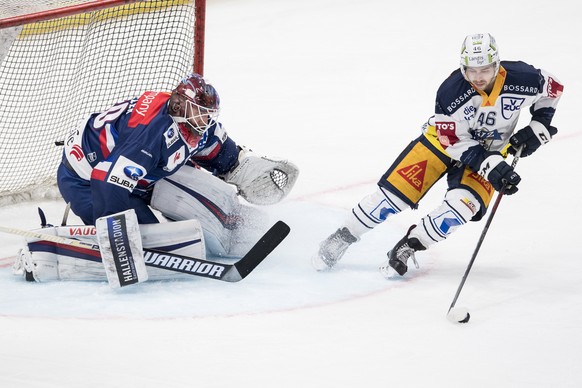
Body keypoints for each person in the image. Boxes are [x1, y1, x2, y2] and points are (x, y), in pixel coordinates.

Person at [312, 33, 563, 277]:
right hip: (442, 144)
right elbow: (452, 141)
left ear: (497, 65)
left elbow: (554, 89)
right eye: (471, 70)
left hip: (491, 152)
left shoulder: (524, 77)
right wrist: (489, 164)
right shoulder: (451, 91)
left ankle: (409, 245)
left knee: (463, 208)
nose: (478, 77)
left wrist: (539, 125)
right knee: (391, 199)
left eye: (485, 69)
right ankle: (343, 236)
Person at [15, 73, 299, 285]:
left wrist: (241, 166)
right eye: (200, 114)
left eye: (208, 115)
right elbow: (106, 180)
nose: (205, 121)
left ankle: (231, 228)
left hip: (136, 174)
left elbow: (218, 152)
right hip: (87, 182)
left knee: (195, 198)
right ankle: (45, 252)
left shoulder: (192, 125)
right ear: (181, 106)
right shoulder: (150, 135)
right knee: (154, 247)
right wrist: (120, 240)